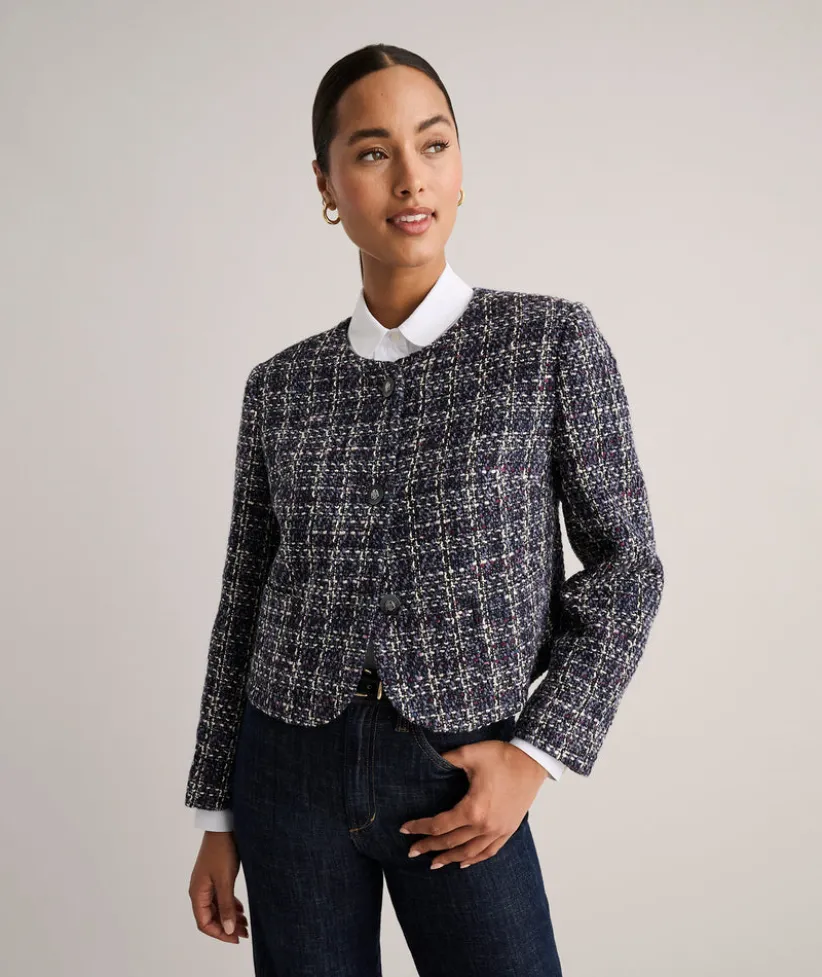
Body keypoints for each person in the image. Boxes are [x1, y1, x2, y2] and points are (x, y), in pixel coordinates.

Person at [184, 43, 664, 977]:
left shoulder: (548, 343)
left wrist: (536, 753)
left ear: (460, 166)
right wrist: (217, 810)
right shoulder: (282, 386)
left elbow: (627, 568)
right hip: (287, 770)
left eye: (433, 145)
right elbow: (244, 600)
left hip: (458, 773)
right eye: (372, 153)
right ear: (326, 184)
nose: (410, 177)